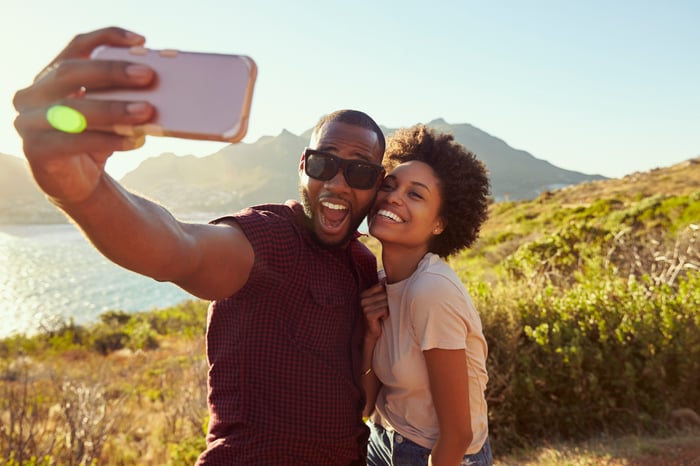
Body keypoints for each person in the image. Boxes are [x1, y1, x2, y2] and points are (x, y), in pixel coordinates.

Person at [13, 27, 387, 465]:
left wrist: (374, 336)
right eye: (325, 164)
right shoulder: (270, 238)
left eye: (360, 173)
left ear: (377, 184)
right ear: (304, 166)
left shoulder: (362, 264)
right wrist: (81, 192)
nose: (338, 184)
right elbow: (178, 247)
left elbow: (361, 404)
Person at [359, 124, 493, 465]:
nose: (393, 197)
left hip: (433, 455)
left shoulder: (431, 291)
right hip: (382, 441)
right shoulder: (380, 283)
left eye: (415, 195)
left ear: (439, 224)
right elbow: (364, 406)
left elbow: (457, 435)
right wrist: (371, 336)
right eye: (389, 185)